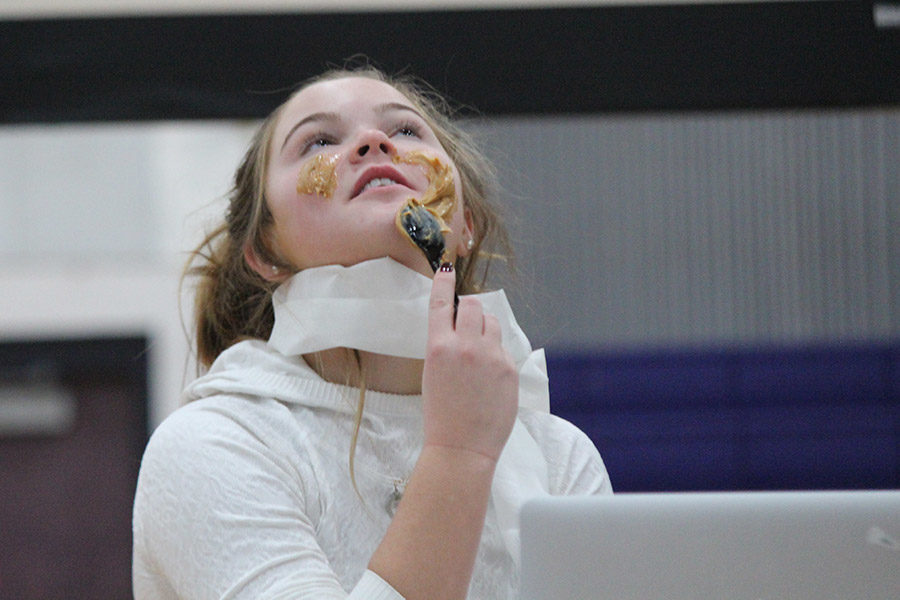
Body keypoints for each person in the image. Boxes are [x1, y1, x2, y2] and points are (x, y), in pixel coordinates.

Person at [132, 64, 612, 600]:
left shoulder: (561, 458)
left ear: (466, 226)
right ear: (264, 254)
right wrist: (458, 454)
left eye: (406, 131)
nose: (373, 142)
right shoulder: (213, 443)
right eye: (318, 141)